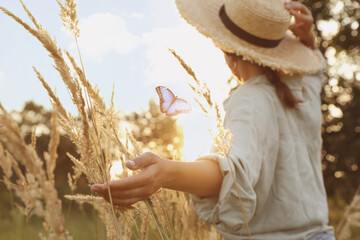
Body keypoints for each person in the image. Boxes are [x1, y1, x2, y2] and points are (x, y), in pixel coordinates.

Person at [91, 0, 335, 239]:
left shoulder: (249, 100)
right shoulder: (303, 91)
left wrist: (165, 173)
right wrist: (307, 39)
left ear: (227, 54)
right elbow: (316, 68)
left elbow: (232, 173)